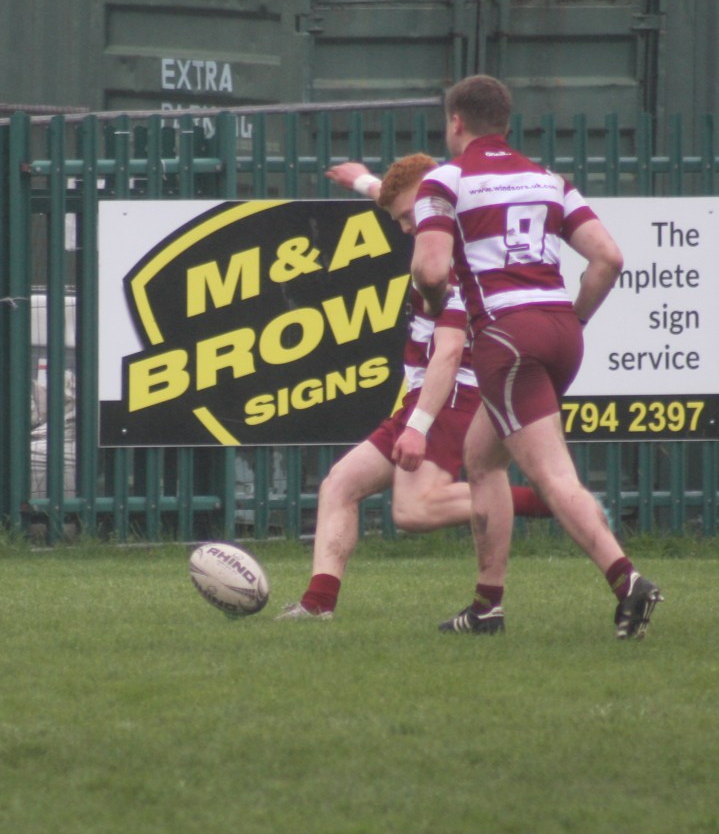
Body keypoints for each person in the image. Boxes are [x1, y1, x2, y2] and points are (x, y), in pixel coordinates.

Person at [411, 74, 663, 639]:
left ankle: (627, 581)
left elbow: (430, 269)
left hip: (506, 337)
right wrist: (576, 320)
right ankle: (486, 607)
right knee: (482, 458)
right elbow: (609, 259)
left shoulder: (446, 180)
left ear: (456, 122)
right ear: (505, 123)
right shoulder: (549, 180)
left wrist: (433, 299)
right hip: (560, 331)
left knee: (552, 474)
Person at [277, 153, 559, 622]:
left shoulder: (452, 257)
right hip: (425, 394)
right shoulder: (436, 219)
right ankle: (317, 605)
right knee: (340, 485)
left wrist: (418, 426)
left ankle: (541, 501)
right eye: (400, 220)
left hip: (452, 393)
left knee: (414, 511)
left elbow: (448, 353)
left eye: (410, 216)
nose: (407, 227)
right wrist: (364, 182)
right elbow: (405, 195)